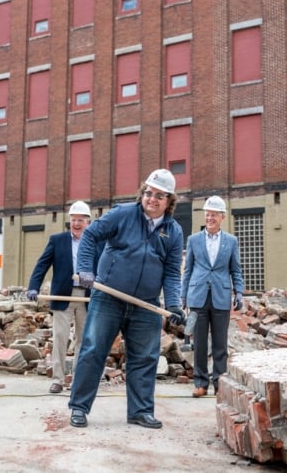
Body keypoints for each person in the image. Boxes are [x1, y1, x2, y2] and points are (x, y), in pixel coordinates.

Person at [68, 168, 185, 429]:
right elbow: (90, 236)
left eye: (159, 196)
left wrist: (174, 303)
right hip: (108, 297)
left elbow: (171, 272)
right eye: (148, 192)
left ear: (169, 201)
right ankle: (79, 407)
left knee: (145, 357)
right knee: (93, 351)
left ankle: (140, 411)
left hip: (146, 305)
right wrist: (85, 268)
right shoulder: (123, 214)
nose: (152, 199)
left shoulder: (173, 231)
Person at [26, 201, 102, 394]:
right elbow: (42, 265)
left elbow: (104, 267)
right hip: (63, 295)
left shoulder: (96, 241)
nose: (76, 224)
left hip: (88, 297)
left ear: (88, 222)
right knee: (59, 338)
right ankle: (58, 379)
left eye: (81, 220)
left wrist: (98, 281)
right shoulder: (57, 240)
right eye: (74, 220)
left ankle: (78, 380)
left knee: (83, 340)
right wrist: (33, 287)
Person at [181, 195, 244, 397]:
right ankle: (200, 383)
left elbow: (236, 270)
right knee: (199, 343)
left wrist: (239, 292)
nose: (210, 218)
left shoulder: (231, 242)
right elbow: (187, 270)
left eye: (214, 215)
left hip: (221, 296)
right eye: (207, 214)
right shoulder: (193, 240)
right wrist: (183, 297)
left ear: (222, 217)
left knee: (219, 343)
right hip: (198, 296)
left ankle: (219, 384)